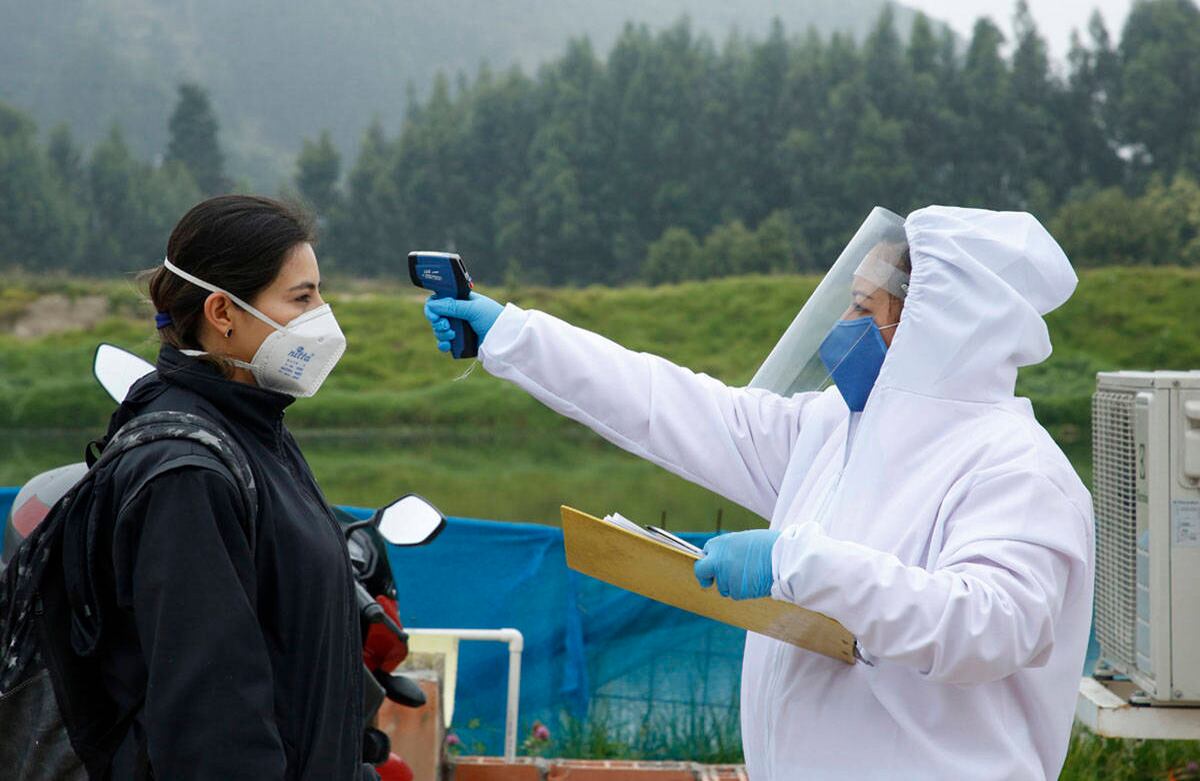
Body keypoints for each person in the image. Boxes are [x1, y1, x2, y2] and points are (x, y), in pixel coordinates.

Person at [424, 206, 1094, 780]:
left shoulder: (1016, 470)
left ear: (934, 330)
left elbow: (986, 627)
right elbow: (672, 406)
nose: (842, 322)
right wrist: (514, 336)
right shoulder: (838, 428)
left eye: (863, 308)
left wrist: (796, 563)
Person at [91, 195, 373, 779]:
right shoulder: (187, 473)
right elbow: (212, 726)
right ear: (223, 312)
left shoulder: (252, 426)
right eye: (302, 298)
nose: (323, 316)